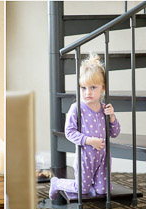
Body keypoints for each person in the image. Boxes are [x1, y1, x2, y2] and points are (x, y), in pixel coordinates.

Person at [49, 53, 120, 199]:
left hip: (103, 157)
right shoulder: (77, 108)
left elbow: (115, 132)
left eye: (93, 87)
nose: (88, 92)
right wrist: (88, 140)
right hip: (85, 157)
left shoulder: (104, 108)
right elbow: (69, 132)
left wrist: (112, 116)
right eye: (83, 88)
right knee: (82, 189)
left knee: (103, 191)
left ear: (103, 88)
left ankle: (97, 184)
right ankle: (56, 183)